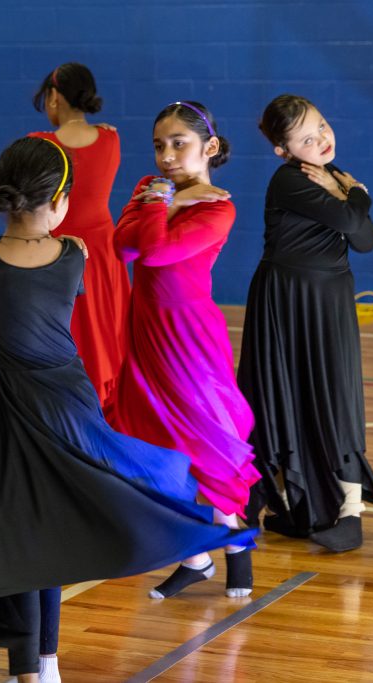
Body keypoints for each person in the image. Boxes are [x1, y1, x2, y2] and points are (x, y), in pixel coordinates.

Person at [0, 137, 255, 683]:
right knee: (50, 530)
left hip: (13, 415)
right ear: (62, 199)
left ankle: (33, 667)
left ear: (1, 196)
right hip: (69, 408)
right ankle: (42, 663)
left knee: (25, 532)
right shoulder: (75, 254)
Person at [107, 101, 260, 599]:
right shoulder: (150, 189)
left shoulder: (220, 206)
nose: (167, 155)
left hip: (190, 339)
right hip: (145, 335)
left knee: (207, 444)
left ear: (209, 146)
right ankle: (194, 558)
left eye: (179, 143)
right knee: (150, 448)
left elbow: (155, 250)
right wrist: (168, 204)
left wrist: (159, 204)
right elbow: (122, 246)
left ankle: (237, 549)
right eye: (159, 145)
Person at [238, 94, 373, 551]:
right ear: (284, 149)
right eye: (307, 138)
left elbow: (366, 240)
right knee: (284, 396)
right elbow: (354, 216)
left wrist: (345, 195)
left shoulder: (330, 178)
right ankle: (294, 505)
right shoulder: (290, 179)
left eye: (323, 126)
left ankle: (351, 510)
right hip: (286, 297)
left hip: (329, 298)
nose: (323, 139)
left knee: (336, 395)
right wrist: (355, 193)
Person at [0, 62, 129, 408]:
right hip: (101, 253)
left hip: (49, 251)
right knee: (99, 335)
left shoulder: (39, 144)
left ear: (54, 96)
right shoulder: (111, 138)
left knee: (49, 329)